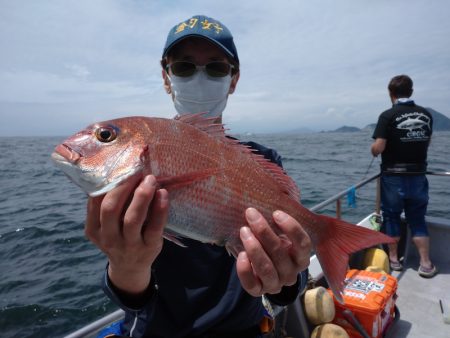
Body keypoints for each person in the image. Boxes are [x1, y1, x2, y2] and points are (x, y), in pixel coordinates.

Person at [85, 15, 311, 337]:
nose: (200, 77)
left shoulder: (263, 161)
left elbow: (287, 279)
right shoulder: (136, 162)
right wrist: (126, 267)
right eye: (184, 67)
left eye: (216, 68)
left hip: (243, 328)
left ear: (233, 80)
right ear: (166, 78)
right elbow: (134, 300)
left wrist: (286, 278)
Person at [371, 74, 437, 278]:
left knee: (391, 216)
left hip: (393, 176)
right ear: (411, 92)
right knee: (417, 218)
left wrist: (374, 149)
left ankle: (393, 261)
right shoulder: (426, 115)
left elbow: (378, 148)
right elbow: (427, 142)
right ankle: (426, 264)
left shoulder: (387, 116)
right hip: (418, 175)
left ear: (391, 94)